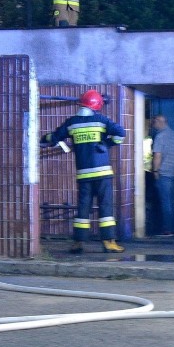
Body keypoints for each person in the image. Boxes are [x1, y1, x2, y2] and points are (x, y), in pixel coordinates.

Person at [40, 89, 125, 253]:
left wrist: (44, 139)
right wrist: (106, 145)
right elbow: (120, 133)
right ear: (96, 105)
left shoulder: (72, 123)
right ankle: (109, 242)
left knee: (83, 208)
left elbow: (55, 137)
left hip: (84, 175)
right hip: (103, 174)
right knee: (105, 207)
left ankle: (78, 242)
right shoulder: (101, 120)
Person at [151, 114, 174, 236]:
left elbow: (157, 156)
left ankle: (167, 229)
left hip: (164, 174)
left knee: (166, 202)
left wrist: (155, 171)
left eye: (154, 122)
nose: (153, 125)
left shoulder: (160, 136)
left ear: (160, 122)